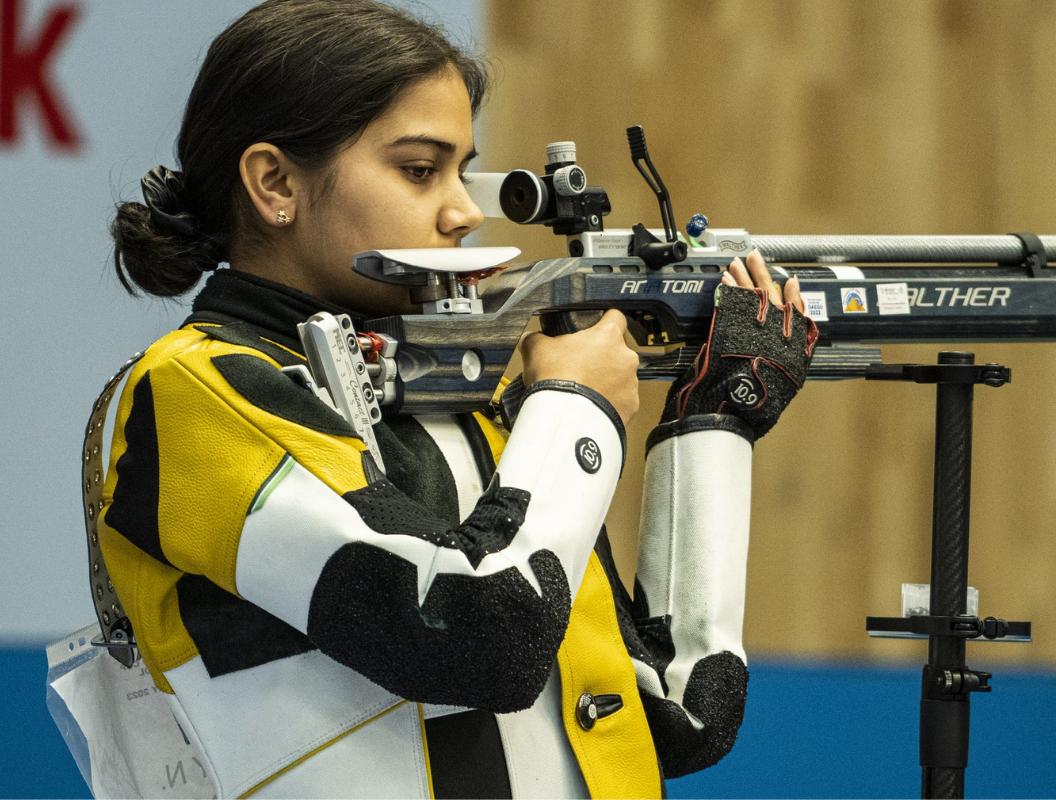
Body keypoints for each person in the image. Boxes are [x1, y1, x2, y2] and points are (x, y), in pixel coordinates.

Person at [95, 0, 818, 796]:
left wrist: (714, 421)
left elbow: (676, 717)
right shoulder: (197, 392)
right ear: (275, 183)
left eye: (463, 169)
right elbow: (480, 641)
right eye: (419, 169)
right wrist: (577, 407)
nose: (466, 211)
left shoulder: (464, 399)